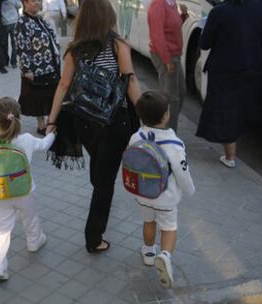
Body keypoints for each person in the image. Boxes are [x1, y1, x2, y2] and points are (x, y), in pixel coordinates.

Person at [47, 0, 141, 253]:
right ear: (108, 17)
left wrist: (52, 120)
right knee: (105, 183)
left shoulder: (75, 49)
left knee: (99, 167)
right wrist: (148, 117)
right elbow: (130, 82)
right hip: (113, 122)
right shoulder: (118, 45)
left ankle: (100, 195)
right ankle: (93, 237)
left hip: (84, 121)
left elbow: (64, 85)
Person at [0, 97, 55, 282]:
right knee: (30, 217)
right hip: (25, 191)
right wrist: (52, 133)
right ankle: (34, 242)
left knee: (1, 229)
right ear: (18, 118)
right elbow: (44, 145)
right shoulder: (27, 139)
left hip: (0, 194)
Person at [128, 91, 195, 288]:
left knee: (148, 221)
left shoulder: (135, 137)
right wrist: (189, 191)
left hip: (142, 193)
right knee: (169, 227)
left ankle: (149, 252)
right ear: (166, 116)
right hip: (166, 197)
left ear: (141, 116)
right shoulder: (174, 144)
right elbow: (182, 173)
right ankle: (165, 256)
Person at [195, 0, 262, 168]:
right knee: (238, 110)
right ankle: (231, 154)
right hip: (250, 67)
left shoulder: (219, 11)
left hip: (224, 71)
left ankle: (230, 157)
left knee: (226, 113)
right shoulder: (258, 7)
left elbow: (205, 43)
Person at [15, 0, 61, 135]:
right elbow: (22, 47)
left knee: (50, 96)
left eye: (38, 1)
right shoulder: (22, 23)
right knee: (38, 98)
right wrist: (26, 69)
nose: (36, 3)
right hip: (36, 68)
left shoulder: (40, 19)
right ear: (25, 3)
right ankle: (41, 126)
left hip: (49, 65)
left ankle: (50, 123)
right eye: (33, 1)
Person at [147, 0, 189, 132]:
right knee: (172, 99)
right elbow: (157, 36)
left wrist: (183, 16)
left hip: (174, 55)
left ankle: (166, 129)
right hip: (166, 55)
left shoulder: (171, 4)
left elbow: (172, 28)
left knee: (180, 93)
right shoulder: (158, 5)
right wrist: (166, 59)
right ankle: (168, 134)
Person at [1, 0, 21, 68]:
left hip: (4, 22)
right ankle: (13, 62)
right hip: (14, 21)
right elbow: (19, 5)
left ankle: (5, 61)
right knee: (14, 44)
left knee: (5, 43)